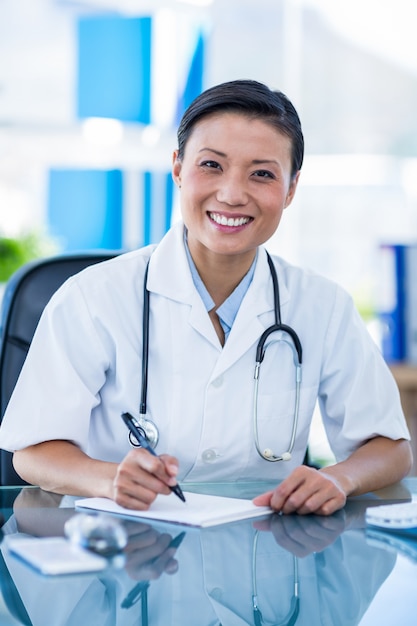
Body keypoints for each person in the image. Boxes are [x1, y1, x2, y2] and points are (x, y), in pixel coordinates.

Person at [0, 79, 412, 516]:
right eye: (211, 165)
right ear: (178, 168)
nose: (233, 194)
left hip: (262, 558)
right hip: (123, 551)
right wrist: (109, 478)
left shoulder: (321, 305)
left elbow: (390, 447)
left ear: (291, 189)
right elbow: (32, 451)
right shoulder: (92, 297)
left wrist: (337, 479)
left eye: (262, 173)